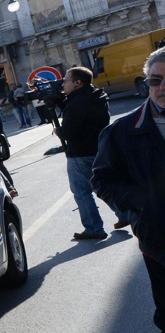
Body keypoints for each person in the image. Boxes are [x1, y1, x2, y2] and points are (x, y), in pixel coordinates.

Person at [93, 48, 165, 333]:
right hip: (160, 242)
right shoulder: (122, 131)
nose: (162, 88)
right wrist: (143, 203)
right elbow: (102, 179)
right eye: (155, 80)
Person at [56, 66, 128, 240]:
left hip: (80, 153)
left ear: (77, 82)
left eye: (65, 80)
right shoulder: (96, 95)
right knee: (100, 185)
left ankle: (94, 229)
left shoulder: (76, 103)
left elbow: (68, 132)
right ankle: (124, 213)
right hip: (100, 148)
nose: (62, 84)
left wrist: (59, 131)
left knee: (81, 191)